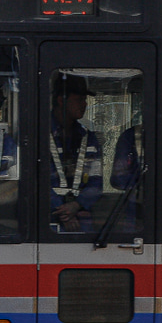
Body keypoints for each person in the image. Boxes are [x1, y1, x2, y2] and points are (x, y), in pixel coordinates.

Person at [48, 74, 102, 231]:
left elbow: (96, 182)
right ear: (61, 100)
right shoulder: (39, 134)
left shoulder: (88, 138)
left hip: (81, 220)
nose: (85, 104)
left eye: (85, 100)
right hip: (45, 220)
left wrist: (76, 205)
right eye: (79, 99)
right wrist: (62, 211)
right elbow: (35, 180)